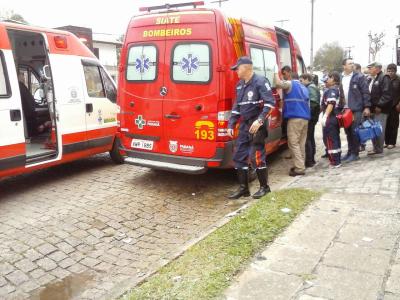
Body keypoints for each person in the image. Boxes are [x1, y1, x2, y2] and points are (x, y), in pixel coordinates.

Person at [227, 57, 275, 200]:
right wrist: (231, 123)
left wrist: (260, 120)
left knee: (256, 156)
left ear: (246, 68)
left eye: (237, 68)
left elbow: (270, 104)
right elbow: (237, 107)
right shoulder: (240, 85)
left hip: (257, 126)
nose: (236, 71)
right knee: (239, 156)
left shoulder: (260, 81)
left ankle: (264, 188)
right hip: (244, 125)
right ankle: (244, 189)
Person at [275, 66, 310, 176]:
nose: (283, 76)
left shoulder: (290, 84)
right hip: (305, 118)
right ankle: (301, 164)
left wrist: (275, 72)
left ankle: (299, 168)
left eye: (284, 74)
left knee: (293, 143)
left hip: (295, 118)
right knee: (301, 143)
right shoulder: (303, 87)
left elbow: (277, 84)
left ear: (289, 73)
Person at [340, 58, 371, 163]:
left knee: (354, 131)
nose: (352, 65)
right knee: (348, 131)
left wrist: (367, 107)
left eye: (353, 63)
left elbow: (365, 92)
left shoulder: (359, 77)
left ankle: (355, 153)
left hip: (356, 109)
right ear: (344, 66)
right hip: (345, 110)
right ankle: (350, 152)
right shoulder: (341, 77)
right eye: (349, 63)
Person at [367, 61, 392, 156]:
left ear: (377, 68)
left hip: (380, 109)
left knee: (379, 129)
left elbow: (387, 94)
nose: (369, 70)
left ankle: (379, 148)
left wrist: (379, 105)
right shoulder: (371, 79)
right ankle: (375, 147)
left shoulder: (384, 77)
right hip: (372, 109)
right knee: (373, 129)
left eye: (371, 68)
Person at [321, 72, 343, 167]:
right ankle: (337, 159)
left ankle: (335, 161)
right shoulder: (336, 89)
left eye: (328, 78)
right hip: (334, 117)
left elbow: (331, 104)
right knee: (335, 139)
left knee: (331, 140)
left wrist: (325, 116)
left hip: (331, 117)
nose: (326, 81)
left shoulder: (332, 90)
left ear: (333, 78)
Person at [300, 73, 320, 167]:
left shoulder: (310, 88)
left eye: (302, 80)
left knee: (308, 138)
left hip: (311, 117)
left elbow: (313, 103)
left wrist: (307, 115)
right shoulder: (312, 86)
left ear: (306, 79)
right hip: (313, 117)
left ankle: (309, 160)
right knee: (310, 137)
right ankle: (311, 159)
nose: (301, 83)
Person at [384, 63, 400, 149]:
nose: (390, 73)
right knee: (386, 124)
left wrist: (399, 103)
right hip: (386, 106)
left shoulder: (398, 80)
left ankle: (392, 142)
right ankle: (386, 142)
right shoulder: (385, 79)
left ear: (395, 71)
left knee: (394, 124)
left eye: (392, 71)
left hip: (395, 106)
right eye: (389, 71)